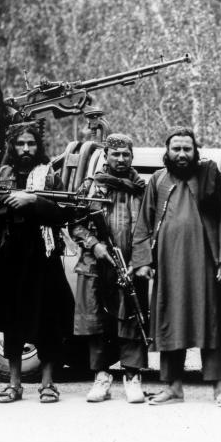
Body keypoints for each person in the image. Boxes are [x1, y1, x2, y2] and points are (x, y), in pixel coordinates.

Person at [0, 122, 75, 403]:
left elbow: (63, 213)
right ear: (11, 147)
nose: (26, 149)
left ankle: (48, 383)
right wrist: (10, 201)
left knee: (48, 321)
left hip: (44, 256)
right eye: (20, 144)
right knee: (11, 322)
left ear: (39, 146)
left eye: (31, 144)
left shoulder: (50, 176)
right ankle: (14, 384)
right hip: (9, 255)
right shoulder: (1, 175)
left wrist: (33, 201)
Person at [132, 128, 221, 407]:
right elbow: (144, 222)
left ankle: (219, 388)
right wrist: (143, 261)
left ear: (195, 151)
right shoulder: (157, 180)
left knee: (209, 323)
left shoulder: (209, 176)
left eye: (187, 149)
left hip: (205, 264)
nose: (181, 154)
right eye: (176, 149)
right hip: (168, 267)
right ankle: (173, 388)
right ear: (166, 152)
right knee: (170, 323)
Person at [70, 133, 149, 404]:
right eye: (115, 154)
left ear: (132, 156)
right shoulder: (91, 186)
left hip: (131, 265)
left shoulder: (141, 188)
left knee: (132, 319)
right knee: (97, 324)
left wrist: (139, 262)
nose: (121, 159)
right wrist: (94, 245)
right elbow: (75, 223)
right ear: (106, 155)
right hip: (95, 265)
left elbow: (149, 228)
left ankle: (132, 376)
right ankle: (102, 378)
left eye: (126, 154)